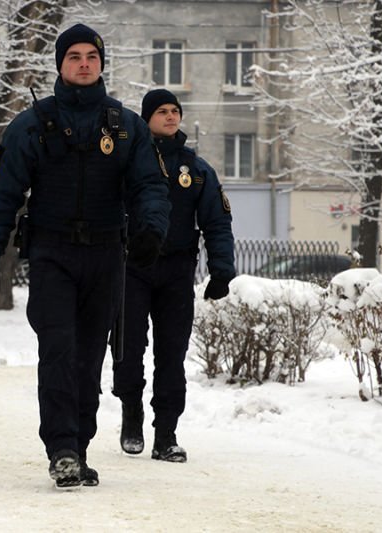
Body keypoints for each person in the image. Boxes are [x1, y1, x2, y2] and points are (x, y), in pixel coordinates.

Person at [0, 24, 171, 488]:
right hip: (52, 254)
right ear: (60, 65)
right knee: (58, 351)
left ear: (101, 64)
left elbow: (150, 186)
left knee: (88, 359)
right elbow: (3, 193)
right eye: (73, 57)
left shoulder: (126, 127)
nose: (83, 63)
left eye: (91, 56)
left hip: (105, 256)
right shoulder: (32, 124)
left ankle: (79, 447)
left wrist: (151, 229)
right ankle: (61, 447)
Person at [111, 88, 235, 463]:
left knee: (172, 354)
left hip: (177, 271)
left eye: (175, 111)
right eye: (161, 111)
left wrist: (221, 271)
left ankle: (166, 433)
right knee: (128, 349)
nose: (170, 117)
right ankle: (131, 412)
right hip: (132, 268)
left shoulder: (195, 170)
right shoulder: (127, 163)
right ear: (146, 118)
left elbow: (217, 221)